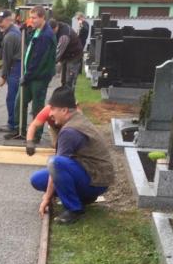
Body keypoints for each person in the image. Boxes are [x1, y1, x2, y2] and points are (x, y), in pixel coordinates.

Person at [30, 87, 115, 224]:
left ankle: (74, 209)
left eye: (53, 109)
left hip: (96, 181)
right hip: (88, 172)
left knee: (55, 162)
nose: (50, 114)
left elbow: (56, 165)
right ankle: (84, 197)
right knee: (37, 179)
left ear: (64, 110)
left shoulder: (70, 131)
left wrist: (47, 197)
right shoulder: (76, 118)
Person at [15, 5, 57, 143]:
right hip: (30, 75)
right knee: (20, 102)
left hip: (38, 77)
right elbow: (30, 46)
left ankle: (36, 135)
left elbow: (37, 60)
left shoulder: (46, 35)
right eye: (30, 17)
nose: (31, 20)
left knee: (37, 107)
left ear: (42, 17)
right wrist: (26, 32)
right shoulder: (37, 30)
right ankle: (20, 130)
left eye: (33, 18)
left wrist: (26, 77)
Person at [0, 10, 22, 133]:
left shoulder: (9, 36)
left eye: (2, 22)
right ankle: (16, 123)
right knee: (16, 98)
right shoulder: (15, 29)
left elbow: (7, 59)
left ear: (9, 20)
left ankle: (13, 125)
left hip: (15, 67)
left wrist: (3, 76)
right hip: (18, 66)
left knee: (11, 98)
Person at [49, 19, 84, 89]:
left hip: (74, 57)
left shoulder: (64, 35)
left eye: (51, 31)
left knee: (70, 81)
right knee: (64, 80)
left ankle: (69, 98)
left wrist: (49, 63)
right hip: (67, 56)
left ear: (55, 28)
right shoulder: (59, 26)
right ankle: (64, 97)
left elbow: (58, 53)